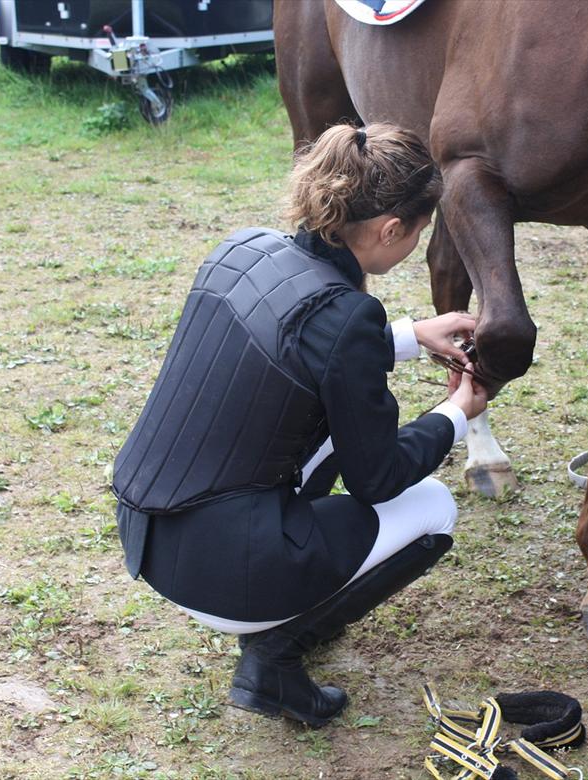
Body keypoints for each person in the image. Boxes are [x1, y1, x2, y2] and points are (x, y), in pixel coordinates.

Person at [112, 122, 487, 728]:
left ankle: (279, 616)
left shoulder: (242, 248)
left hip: (150, 536)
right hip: (222, 574)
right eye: (418, 231)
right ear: (392, 230)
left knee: (331, 427)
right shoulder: (347, 314)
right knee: (435, 509)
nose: (416, 242)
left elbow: (296, 350)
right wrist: (456, 416)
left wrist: (413, 336)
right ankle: (274, 657)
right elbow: (378, 477)